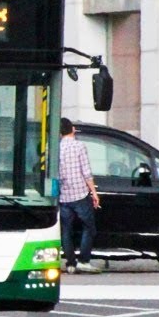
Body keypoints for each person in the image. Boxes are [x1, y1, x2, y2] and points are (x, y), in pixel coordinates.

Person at [58, 117, 102, 274]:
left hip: (63, 196)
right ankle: (84, 260)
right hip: (80, 194)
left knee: (66, 230)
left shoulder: (55, 148)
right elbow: (86, 172)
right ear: (73, 129)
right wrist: (94, 192)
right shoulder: (79, 146)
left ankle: (70, 263)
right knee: (89, 227)